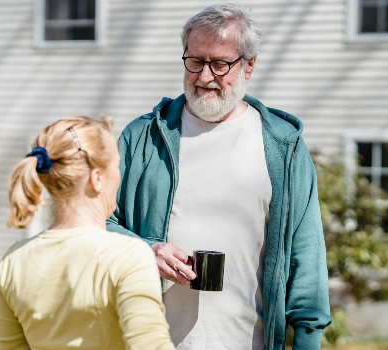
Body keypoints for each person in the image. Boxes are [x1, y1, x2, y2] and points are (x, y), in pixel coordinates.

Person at [106, 3, 332, 349]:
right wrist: (144, 251)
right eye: (195, 61)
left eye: (220, 64)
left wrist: (306, 339)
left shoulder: (283, 146)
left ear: (249, 66)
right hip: (150, 340)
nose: (204, 76)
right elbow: (95, 223)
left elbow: (307, 254)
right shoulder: (143, 137)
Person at [0, 116, 175, 350]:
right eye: (116, 166)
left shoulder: (12, 262)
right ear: (97, 179)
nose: (119, 176)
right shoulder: (129, 256)